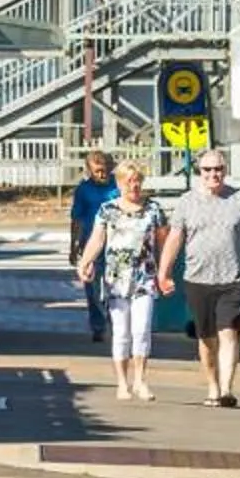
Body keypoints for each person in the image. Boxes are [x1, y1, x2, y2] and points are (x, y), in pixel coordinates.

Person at [161, 150, 240, 407]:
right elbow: (175, 238)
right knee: (207, 338)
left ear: (225, 170)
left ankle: (227, 390)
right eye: (207, 170)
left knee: (228, 332)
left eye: (217, 169)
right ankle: (213, 386)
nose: (213, 174)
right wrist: (164, 272)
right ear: (199, 172)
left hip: (233, 280)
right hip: (198, 279)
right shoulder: (187, 202)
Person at [72, 160, 169, 401]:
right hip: (116, 279)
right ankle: (122, 383)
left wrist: (164, 273)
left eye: (137, 181)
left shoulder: (154, 210)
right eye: (128, 182)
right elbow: (97, 240)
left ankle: (140, 381)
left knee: (142, 329)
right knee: (122, 332)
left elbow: (164, 243)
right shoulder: (108, 210)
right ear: (119, 184)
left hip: (144, 277)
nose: (134, 186)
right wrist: (85, 262)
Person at [68, 150, 118, 342]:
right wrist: (74, 246)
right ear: (89, 170)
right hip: (91, 243)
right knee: (92, 287)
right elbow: (77, 219)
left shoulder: (119, 185)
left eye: (104, 170)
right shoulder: (84, 189)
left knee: (115, 286)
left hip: (116, 243)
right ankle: (98, 325)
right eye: (97, 171)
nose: (101, 174)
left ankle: (117, 321)